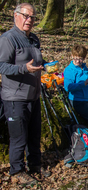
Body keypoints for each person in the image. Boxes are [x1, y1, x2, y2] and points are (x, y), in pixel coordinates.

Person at [0, 3, 50, 185]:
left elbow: (36, 60)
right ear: (16, 16)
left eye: (32, 17)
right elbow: (2, 65)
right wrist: (24, 69)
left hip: (33, 95)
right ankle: (17, 170)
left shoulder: (34, 39)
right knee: (19, 137)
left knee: (34, 134)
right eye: (25, 16)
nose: (29, 20)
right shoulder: (8, 39)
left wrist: (46, 64)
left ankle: (35, 165)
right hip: (14, 98)